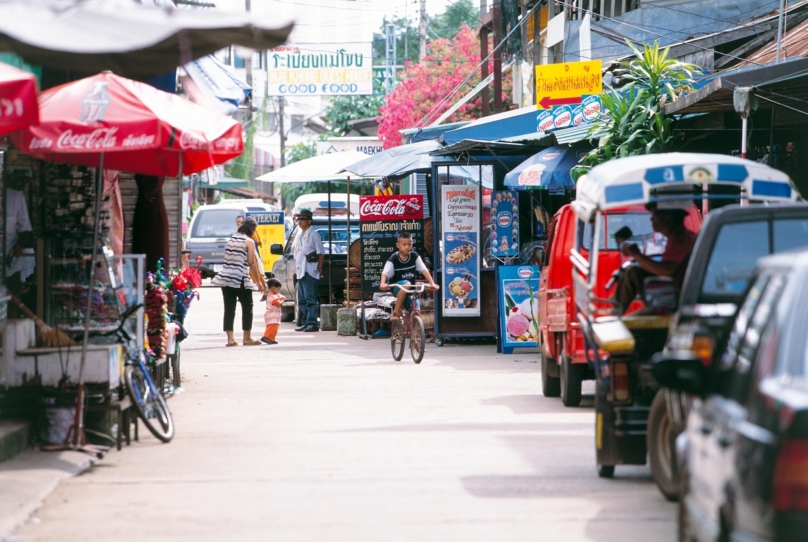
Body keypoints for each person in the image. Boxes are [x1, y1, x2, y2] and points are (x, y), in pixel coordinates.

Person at [612, 204, 697, 314]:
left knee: (627, 325)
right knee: (633, 272)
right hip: (672, 296)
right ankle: (615, 310)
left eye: (655, 214)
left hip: (674, 305)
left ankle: (614, 316)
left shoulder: (680, 240)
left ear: (667, 218)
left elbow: (666, 271)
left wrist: (638, 255)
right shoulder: (679, 238)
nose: (651, 219)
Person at [211, 216, 266, 346]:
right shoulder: (249, 242)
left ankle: (230, 339)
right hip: (239, 277)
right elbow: (251, 263)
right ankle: (247, 337)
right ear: (252, 229)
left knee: (229, 308)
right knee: (248, 306)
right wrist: (258, 282)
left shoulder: (231, 239)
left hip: (225, 277)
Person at [379, 231, 439, 319]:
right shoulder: (394, 258)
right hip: (398, 288)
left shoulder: (414, 256)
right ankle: (396, 311)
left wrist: (432, 283)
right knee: (407, 284)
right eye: (404, 244)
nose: (407, 247)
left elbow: (424, 270)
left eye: (409, 244)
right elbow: (385, 272)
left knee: (416, 311)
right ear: (398, 245)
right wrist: (382, 283)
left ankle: (414, 332)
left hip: (411, 290)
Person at [292, 208, 324, 332]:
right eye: (299, 219)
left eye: (303, 219)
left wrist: (320, 267)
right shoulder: (299, 235)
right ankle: (306, 321)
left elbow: (321, 253)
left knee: (311, 298)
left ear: (309, 221)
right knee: (302, 299)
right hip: (300, 270)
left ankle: (312, 322)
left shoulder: (314, 235)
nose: (300, 221)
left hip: (310, 270)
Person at [236, 215, 267, 300]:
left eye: (240, 222)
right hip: (242, 260)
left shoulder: (249, 234)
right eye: (237, 222)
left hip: (253, 253)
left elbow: (256, 243)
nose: (239, 224)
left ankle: (265, 290)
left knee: (258, 272)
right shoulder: (239, 235)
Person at [261, 278, 285, 345]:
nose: (279, 291)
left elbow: (281, 296)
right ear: (273, 288)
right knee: (273, 328)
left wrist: (281, 297)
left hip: (272, 315)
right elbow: (278, 303)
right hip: (272, 315)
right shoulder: (273, 297)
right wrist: (282, 300)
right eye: (278, 289)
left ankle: (271, 338)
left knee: (272, 327)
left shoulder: (273, 295)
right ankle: (267, 337)